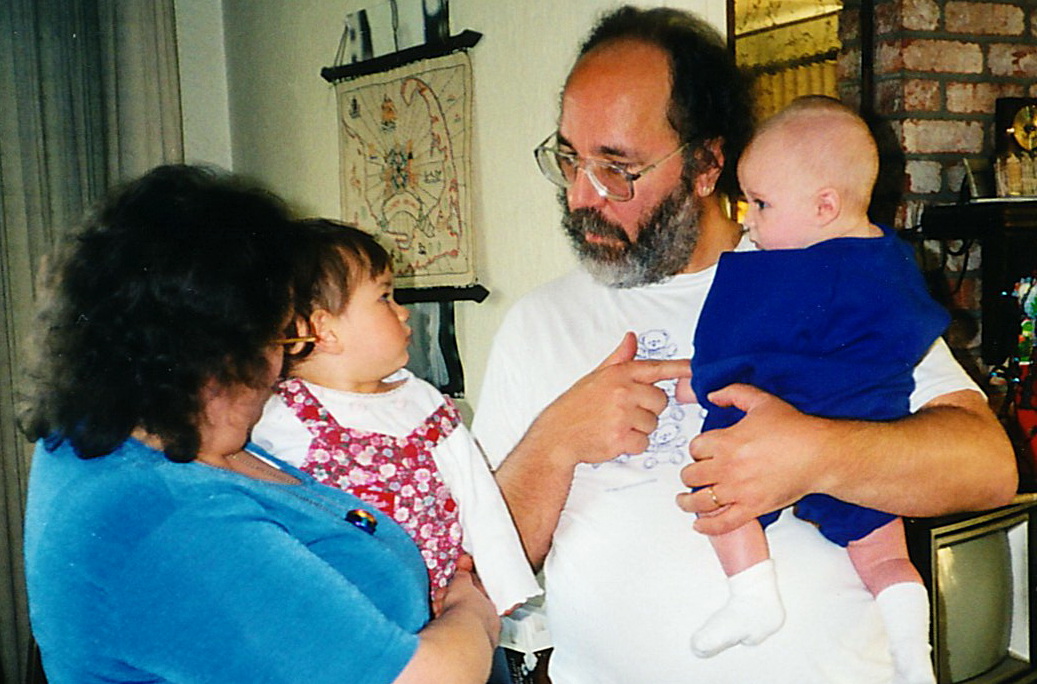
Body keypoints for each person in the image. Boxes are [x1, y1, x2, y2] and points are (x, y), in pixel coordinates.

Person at [472, 6, 1017, 683]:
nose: (584, 195)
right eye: (569, 158)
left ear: (705, 164)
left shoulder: (823, 270)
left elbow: (987, 467)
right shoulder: (535, 324)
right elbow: (485, 565)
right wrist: (554, 443)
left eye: (617, 167)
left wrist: (815, 452)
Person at [20, 165, 498, 684]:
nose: (282, 367)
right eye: (281, 338)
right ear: (224, 349)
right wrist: (470, 608)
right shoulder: (165, 519)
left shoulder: (133, 435)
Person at [689, 97, 943, 684]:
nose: (747, 220)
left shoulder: (780, 274)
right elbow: (914, 332)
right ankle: (913, 649)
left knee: (717, 489)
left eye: (761, 203)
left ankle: (752, 594)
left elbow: (730, 354)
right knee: (885, 556)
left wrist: (703, 385)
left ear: (825, 206)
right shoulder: (894, 261)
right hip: (871, 434)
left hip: (780, 423)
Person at [251, 218, 540, 615]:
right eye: (385, 297)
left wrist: (501, 587)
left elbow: (479, 499)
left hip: (433, 608)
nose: (403, 313)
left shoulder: (424, 403)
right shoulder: (278, 416)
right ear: (324, 330)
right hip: (339, 615)